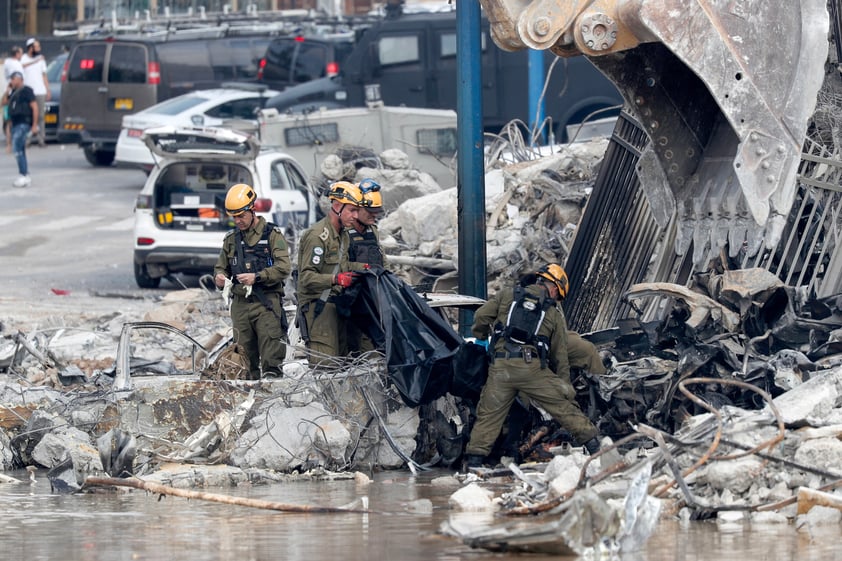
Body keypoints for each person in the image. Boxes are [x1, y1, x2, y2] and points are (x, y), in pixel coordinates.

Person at [463, 264, 600, 468]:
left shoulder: (507, 295)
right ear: (554, 288)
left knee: (489, 416)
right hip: (531, 369)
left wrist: (481, 335)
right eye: (558, 295)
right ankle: (596, 449)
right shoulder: (552, 312)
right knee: (563, 408)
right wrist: (564, 387)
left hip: (500, 368)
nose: (556, 299)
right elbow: (560, 354)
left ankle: (474, 464)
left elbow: (481, 317)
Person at [213, 183, 291, 379]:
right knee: (244, 361)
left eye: (241, 216)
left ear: (252, 209)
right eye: (234, 217)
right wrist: (220, 278)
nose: (238, 221)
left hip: (266, 304)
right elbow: (221, 267)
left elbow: (284, 268)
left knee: (271, 359)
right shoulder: (231, 239)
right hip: (240, 306)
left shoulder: (272, 235)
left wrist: (257, 277)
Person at [296, 181, 361, 366]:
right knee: (326, 370)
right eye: (352, 210)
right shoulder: (317, 236)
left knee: (343, 367)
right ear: (337, 206)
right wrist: (336, 279)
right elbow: (306, 277)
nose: (355, 216)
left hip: (336, 309)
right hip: (319, 311)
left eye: (357, 211)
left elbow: (343, 264)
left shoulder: (343, 235)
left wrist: (365, 268)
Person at [2, 71, 37, 188]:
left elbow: (34, 107)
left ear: (20, 79)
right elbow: (3, 103)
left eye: (13, 79)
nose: (11, 81)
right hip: (15, 124)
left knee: (17, 148)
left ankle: (23, 175)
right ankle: (25, 174)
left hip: (23, 123)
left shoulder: (27, 91)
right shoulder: (12, 93)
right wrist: (7, 91)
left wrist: (34, 125)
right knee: (20, 149)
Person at [344, 178, 387, 270]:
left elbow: (383, 262)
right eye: (370, 211)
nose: (374, 215)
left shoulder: (373, 231)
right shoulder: (343, 233)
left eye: (376, 211)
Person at [20, 38, 49, 148]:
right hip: (28, 91)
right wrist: (35, 61)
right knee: (28, 116)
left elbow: (44, 75)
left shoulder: (41, 60)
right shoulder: (24, 58)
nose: (39, 49)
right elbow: (23, 66)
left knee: (41, 116)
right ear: (31, 48)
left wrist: (47, 89)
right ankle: (27, 140)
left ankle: (41, 139)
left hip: (40, 91)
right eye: (36, 46)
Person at [3, 46, 23, 152]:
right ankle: (13, 143)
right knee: (13, 121)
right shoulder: (17, 65)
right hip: (14, 97)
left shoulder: (6, 62)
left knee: (9, 122)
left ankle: (9, 144)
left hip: (9, 94)